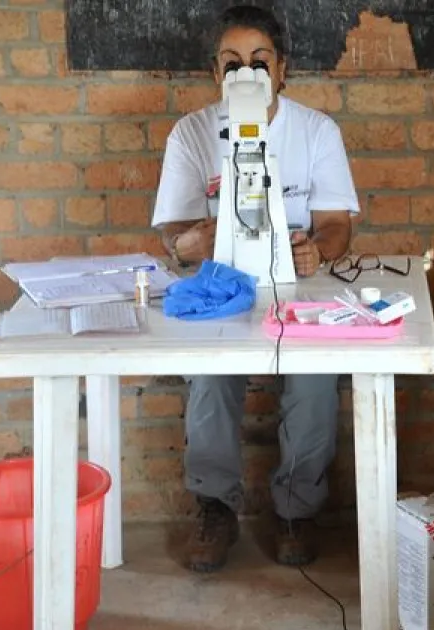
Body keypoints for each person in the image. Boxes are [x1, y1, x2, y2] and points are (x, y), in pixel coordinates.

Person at [150, 5, 360, 573]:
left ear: (282, 70)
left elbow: (336, 223)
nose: (247, 73)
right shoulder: (191, 133)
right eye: (233, 63)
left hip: (296, 285)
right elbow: (173, 233)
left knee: (314, 380)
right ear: (215, 74)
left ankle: (296, 508)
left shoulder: (316, 131)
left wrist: (319, 249)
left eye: (260, 62)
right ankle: (215, 506)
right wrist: (190, 243)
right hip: (223, 287)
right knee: (210, 377)